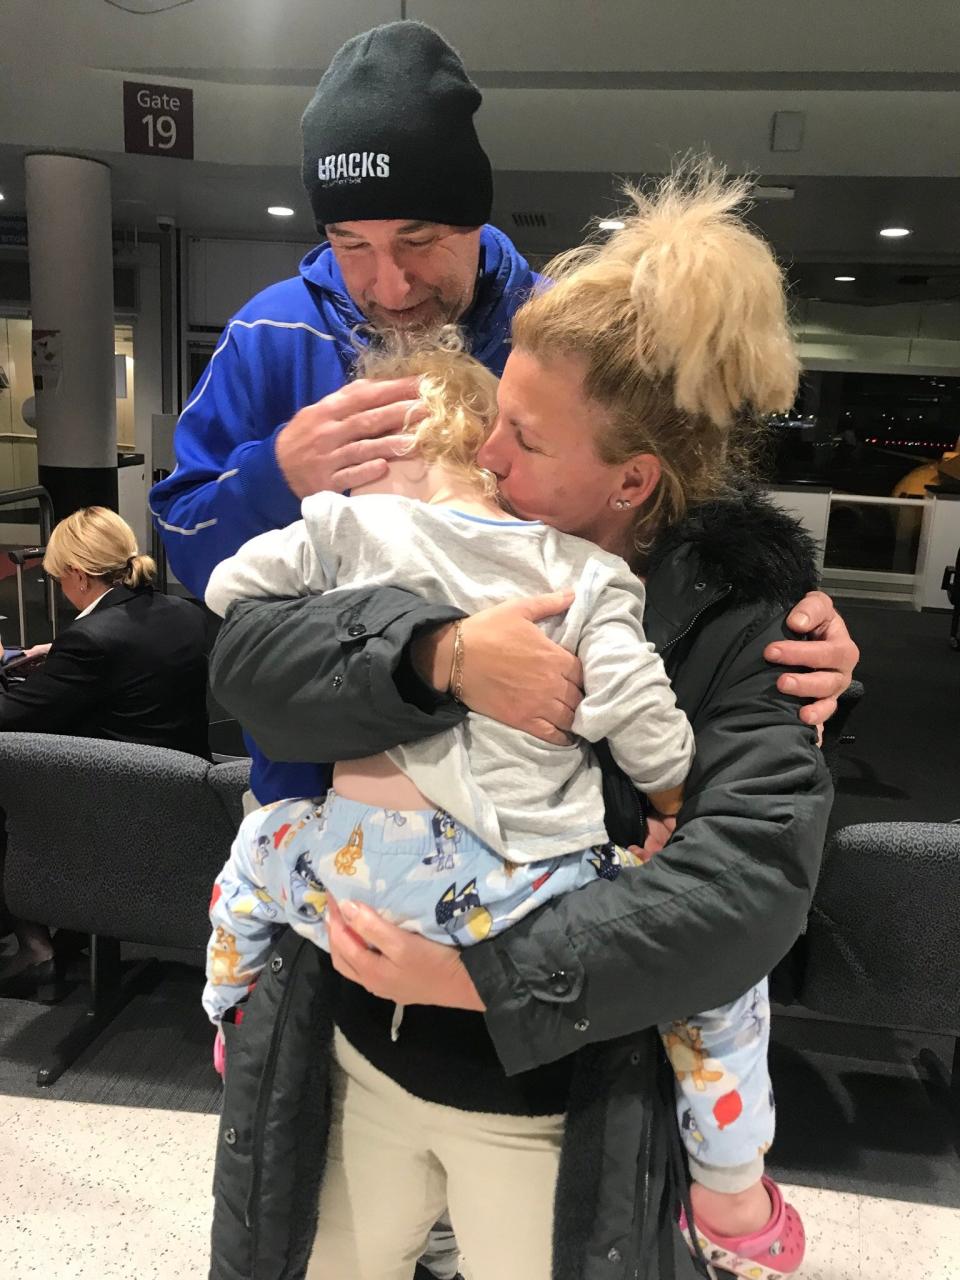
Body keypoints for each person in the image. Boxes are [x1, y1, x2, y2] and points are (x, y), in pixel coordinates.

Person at [204, 167, 833, 1280]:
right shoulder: (425, 527)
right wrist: (437, 654)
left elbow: (745, 887)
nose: (485, 456)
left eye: (527, 441)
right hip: (345, 1058)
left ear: (633, 478)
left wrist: (472, 977)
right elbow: (250, 665)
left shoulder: (748, 622)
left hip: (554, 1099)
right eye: (497, 418)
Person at [149, 18, 858, 817]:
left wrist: (780, 637)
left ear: (475, 219)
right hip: (320, 788)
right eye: (351, 245)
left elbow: (672, 514)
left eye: (417, 239)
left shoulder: (560, 338)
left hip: (547, 799)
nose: (387, 286)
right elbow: (198, 563)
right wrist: (274, 476)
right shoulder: (270, 336)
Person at [0, 506, 209, 994]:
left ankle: (37, 950)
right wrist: (58, 652)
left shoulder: (91, 640)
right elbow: (128, 650)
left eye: (58, 578)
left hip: (117, 801)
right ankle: (70, 930)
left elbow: (12, 715)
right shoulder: (184, 613)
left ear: (77, 574)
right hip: (182, 788)